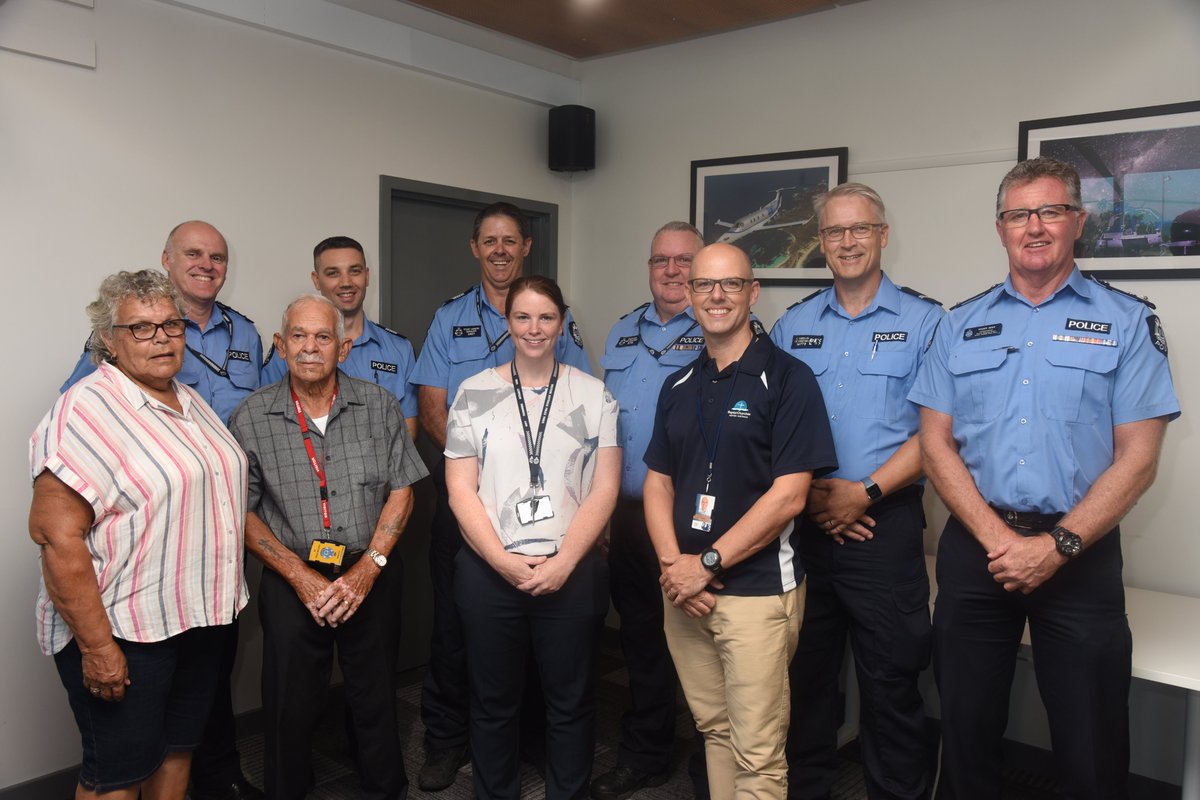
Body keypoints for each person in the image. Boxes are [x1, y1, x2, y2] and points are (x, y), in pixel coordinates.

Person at [908, 157, 1180, 799]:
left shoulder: (1128, 322)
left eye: (1051, 211)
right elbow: (934, 442)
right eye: (1018, 214)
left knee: (1092, 737)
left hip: (1079, 552)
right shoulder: (958, 323)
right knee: (966, 729)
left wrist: (1054, 547)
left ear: (1077, 222)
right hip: (978, 553)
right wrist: (998, 540)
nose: (1034, 227)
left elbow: (1138, 457)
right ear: (1000, 228)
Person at [59, 220, 263, 800]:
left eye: (170, 326)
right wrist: (98, 646)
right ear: (111, 339)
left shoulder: (202, 383)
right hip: (133, 609)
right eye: (143, 328)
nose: (161, 338)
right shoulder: (91, 398)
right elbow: (61, 526)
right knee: (120, 769)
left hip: (203, 593)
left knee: (181, 744)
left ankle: (220, 779)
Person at [644, 243, 838, 800]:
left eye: (731, 285)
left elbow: (790, 497)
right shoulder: (678, 384)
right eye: (704, 285)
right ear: (690, 296)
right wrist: (673, 568)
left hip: (754, 594)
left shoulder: (789, 379)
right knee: (714, 730)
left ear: (753, 293)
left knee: (757, 751)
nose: (717, 296)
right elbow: (659, 481)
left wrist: (705, 564)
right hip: (683, 591)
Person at [769, 183, 942, 800]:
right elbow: (772, 424)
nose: (847, 241)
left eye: (859, 229)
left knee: (891, 683)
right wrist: (817, 494)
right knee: (805, 677)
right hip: (806, 523)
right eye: (835, 232)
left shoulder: (926, 323)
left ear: (882, 235)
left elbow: (940, 434)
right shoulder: (793, 326)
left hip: (883, 525)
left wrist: (863, 492)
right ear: (820, 243)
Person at [410, 202, 591, 790]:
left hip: (547, 514)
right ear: (475, 248)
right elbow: (433, 407)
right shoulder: (449, 320)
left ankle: (534, 742)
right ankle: (445, 739)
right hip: (471, 505)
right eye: (490, 241)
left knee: (544, 630)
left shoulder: (558, 316)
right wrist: (484, 478)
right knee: (456, 630)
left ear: (525, 247)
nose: (500, 250)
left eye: (510, 240)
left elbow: (583, 414)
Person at [227, 294, 428, 800]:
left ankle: (385, 788)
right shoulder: (251, 416)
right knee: (288, 701)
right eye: (298, 336)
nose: (310, 348)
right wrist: (299, 576)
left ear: (344, 347)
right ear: (280, 344)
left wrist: (369, 569)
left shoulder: (379, 405)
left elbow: (402, 489)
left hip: (371, 570)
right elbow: (241, 512)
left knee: (376, 693)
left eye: (323, 338)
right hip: (291, 575)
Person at [445, 275, 619, 799]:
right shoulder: (474, 393)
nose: (534, 328)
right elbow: (460, 490)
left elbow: (605, 488)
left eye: (546, 317)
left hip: (571, 569)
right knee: (494, 700)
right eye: (523, 317)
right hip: (489, 571)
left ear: (562, 324)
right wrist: (500, 560)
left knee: (570, 700)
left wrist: (565, 561)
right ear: (508, 323)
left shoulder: (594, 395)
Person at [593, 221, 709, 800]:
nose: (671, 270)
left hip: (695, 518)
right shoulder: (622, 330)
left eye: (684, 260)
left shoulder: (722, 327)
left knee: (709, 642)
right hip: (627, 512)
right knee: (640, 637)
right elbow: (599, 427)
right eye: (661, 259)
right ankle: (646, 752)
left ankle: (716, 766)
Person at [260, 235, 418, 439]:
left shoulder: (399, 349)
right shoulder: (293, 349)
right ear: (316, 280)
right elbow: (267, 419)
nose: (346, 283)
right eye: (333, 273)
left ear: (367, 276)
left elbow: (407, 432)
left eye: (355, 271)